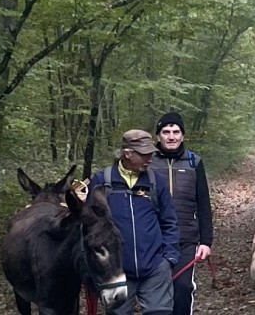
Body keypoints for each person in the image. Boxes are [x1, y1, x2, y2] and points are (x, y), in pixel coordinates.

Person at [90, 129, 180, 315]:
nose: (150, 158)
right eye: (144, 154)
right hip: (118, 272)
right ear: (127, 153)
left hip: (156, 268)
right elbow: (90, 228)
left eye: (151, 154)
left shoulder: (157, 182)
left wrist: (169, 259)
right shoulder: (102, 182)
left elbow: (169, 222)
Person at [150, 112, 214, 315]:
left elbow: (204, 204)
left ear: (182, 135)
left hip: (185, 238)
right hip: (153, 238)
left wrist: (206, 241)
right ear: (158, 136)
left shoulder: (194, 162)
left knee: (183, 287)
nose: (171, 136)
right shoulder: (148, 162)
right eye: (166, 132)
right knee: (157, 291)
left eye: (176, 132)